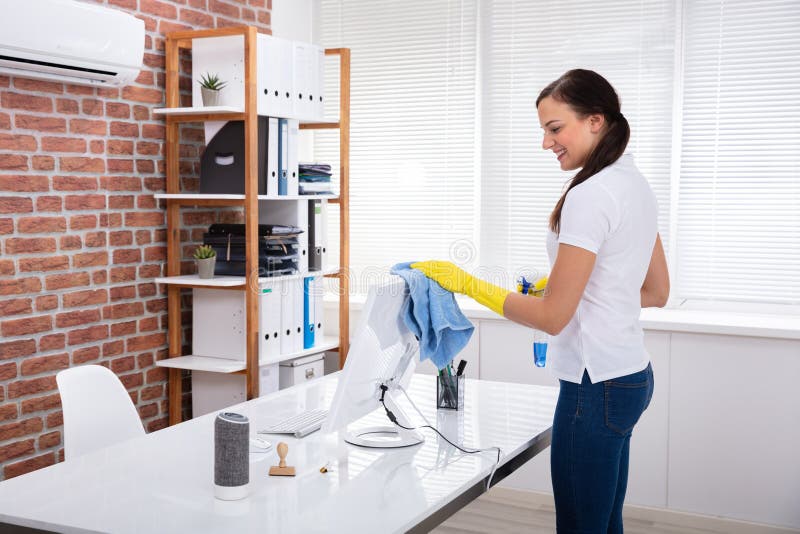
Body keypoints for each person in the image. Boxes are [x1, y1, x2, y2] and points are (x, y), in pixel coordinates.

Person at [412, 68, 669, 533]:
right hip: (631, 376)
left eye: (555, 129)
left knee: (579, 525)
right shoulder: (634, 183)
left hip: (593, 388)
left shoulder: (590, 195)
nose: (547, 144)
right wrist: (572, 282)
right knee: (605, 520)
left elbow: (552, 319)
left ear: (595, 120)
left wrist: (467, 283)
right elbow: (655, 290)